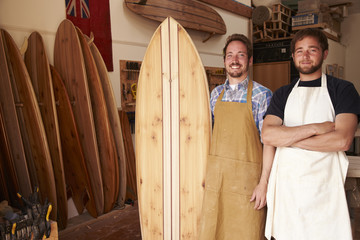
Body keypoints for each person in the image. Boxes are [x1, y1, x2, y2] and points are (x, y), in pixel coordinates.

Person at [263, 28, 360, 240]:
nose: (305, 56)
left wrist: (287, 139)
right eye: (299, 51)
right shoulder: (283, 94)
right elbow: (268, 136)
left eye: (312, 50)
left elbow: (342, 140)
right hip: (287, 189)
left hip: (324, 189)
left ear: (324, 53)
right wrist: (315, 128)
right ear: (293, 56)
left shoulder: (342, 90)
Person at [198, 33, 272, 239]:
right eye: (230, 55)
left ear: (249, 60)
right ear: (224, 61)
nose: (235, 60)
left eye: (240, 55)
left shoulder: (261, 94)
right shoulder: (215, 94)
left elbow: (270, 143)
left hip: (248, 184)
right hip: (218, 180)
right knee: (214, 231)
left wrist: (264, 183)